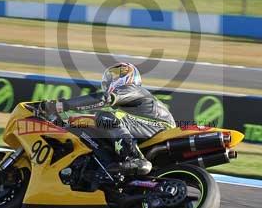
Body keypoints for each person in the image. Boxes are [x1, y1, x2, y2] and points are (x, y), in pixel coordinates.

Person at [41, 62, 175, 175]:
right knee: (101, 120)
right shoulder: (130, 101)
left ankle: (135, 159)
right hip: (151, 127)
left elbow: (104, 99)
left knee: (107, 117)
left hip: (160, 127)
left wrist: (62, 105)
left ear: (128, 77)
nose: (112, 80)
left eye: (116, 76)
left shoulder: (132, 88)